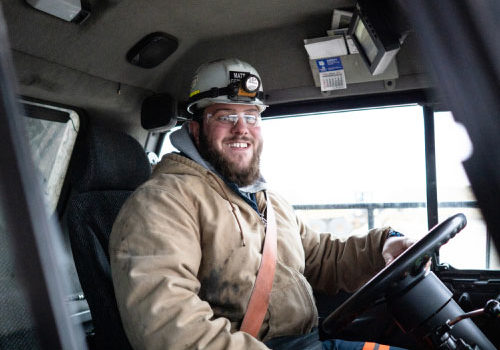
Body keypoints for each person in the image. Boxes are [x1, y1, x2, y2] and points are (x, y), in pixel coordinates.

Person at [109, 58, 413, 350]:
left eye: (251, 117)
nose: (241, 129)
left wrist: (382, 247)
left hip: (309, 341)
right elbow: (170, 327)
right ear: (196, 129)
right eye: (226, 116)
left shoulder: (266, 199)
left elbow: (320, 257)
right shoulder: (163, 202)